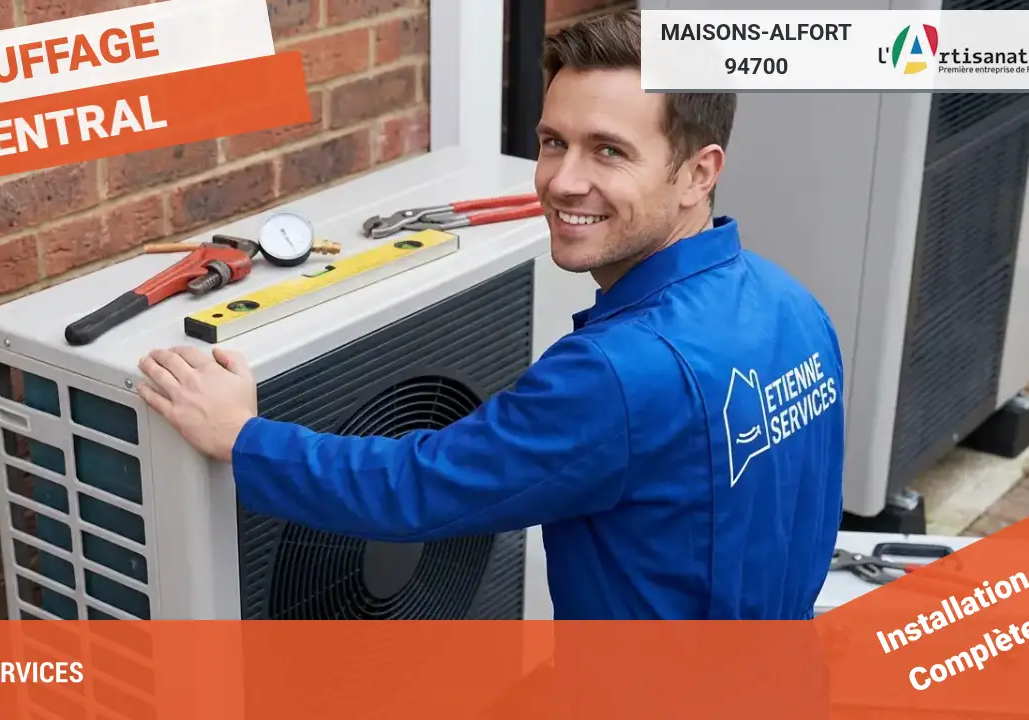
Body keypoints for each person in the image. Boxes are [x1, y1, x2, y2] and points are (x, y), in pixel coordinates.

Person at [135, 9, 845, 621]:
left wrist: (242, 437)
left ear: (699, 172)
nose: (563, 180)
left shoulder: (618, 374)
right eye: (551, 141)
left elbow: (417, 489)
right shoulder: (794, 306)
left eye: (609, 151)